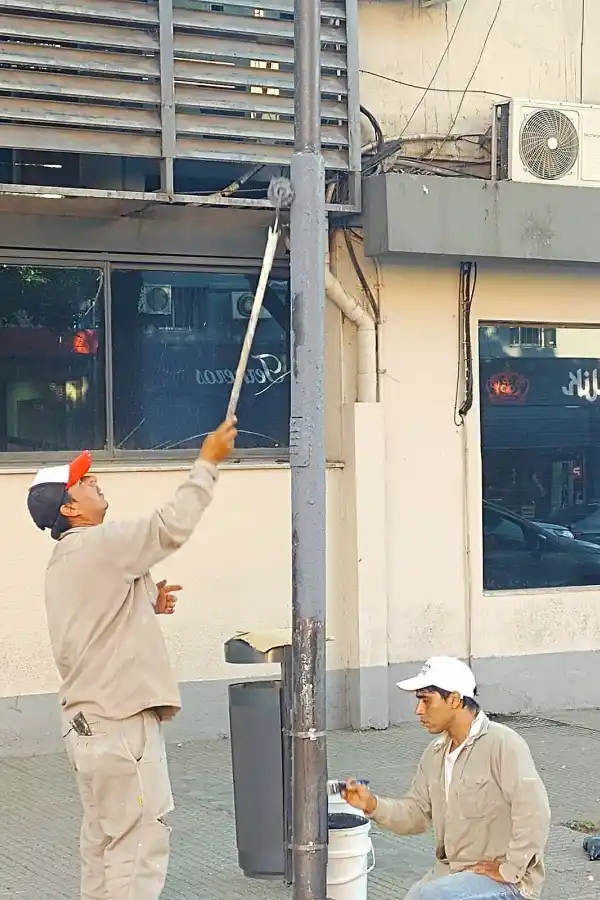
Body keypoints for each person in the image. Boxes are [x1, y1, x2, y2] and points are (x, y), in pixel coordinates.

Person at [26, 418, 237, 900]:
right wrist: (207, 462)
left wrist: (146, 604)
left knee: (104, 845)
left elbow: (95, 627)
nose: (95, 479)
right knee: (139, 842)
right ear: (70, 507)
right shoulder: (98, 544)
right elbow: (170, 526)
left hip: (87, 725)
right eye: (83, 480)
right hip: (120, 724)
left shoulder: (67, 559)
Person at [343, 657, 551, 900]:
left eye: (426, 701)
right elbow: (417, 814)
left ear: (454, 699)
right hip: (452, 874)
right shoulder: (435, 754)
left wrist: (511, 869)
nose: (418, 710)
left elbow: (535, 811)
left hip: (507, 883)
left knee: (428, 897)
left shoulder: (503, 744)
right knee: (420, 895)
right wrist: (372, 805)